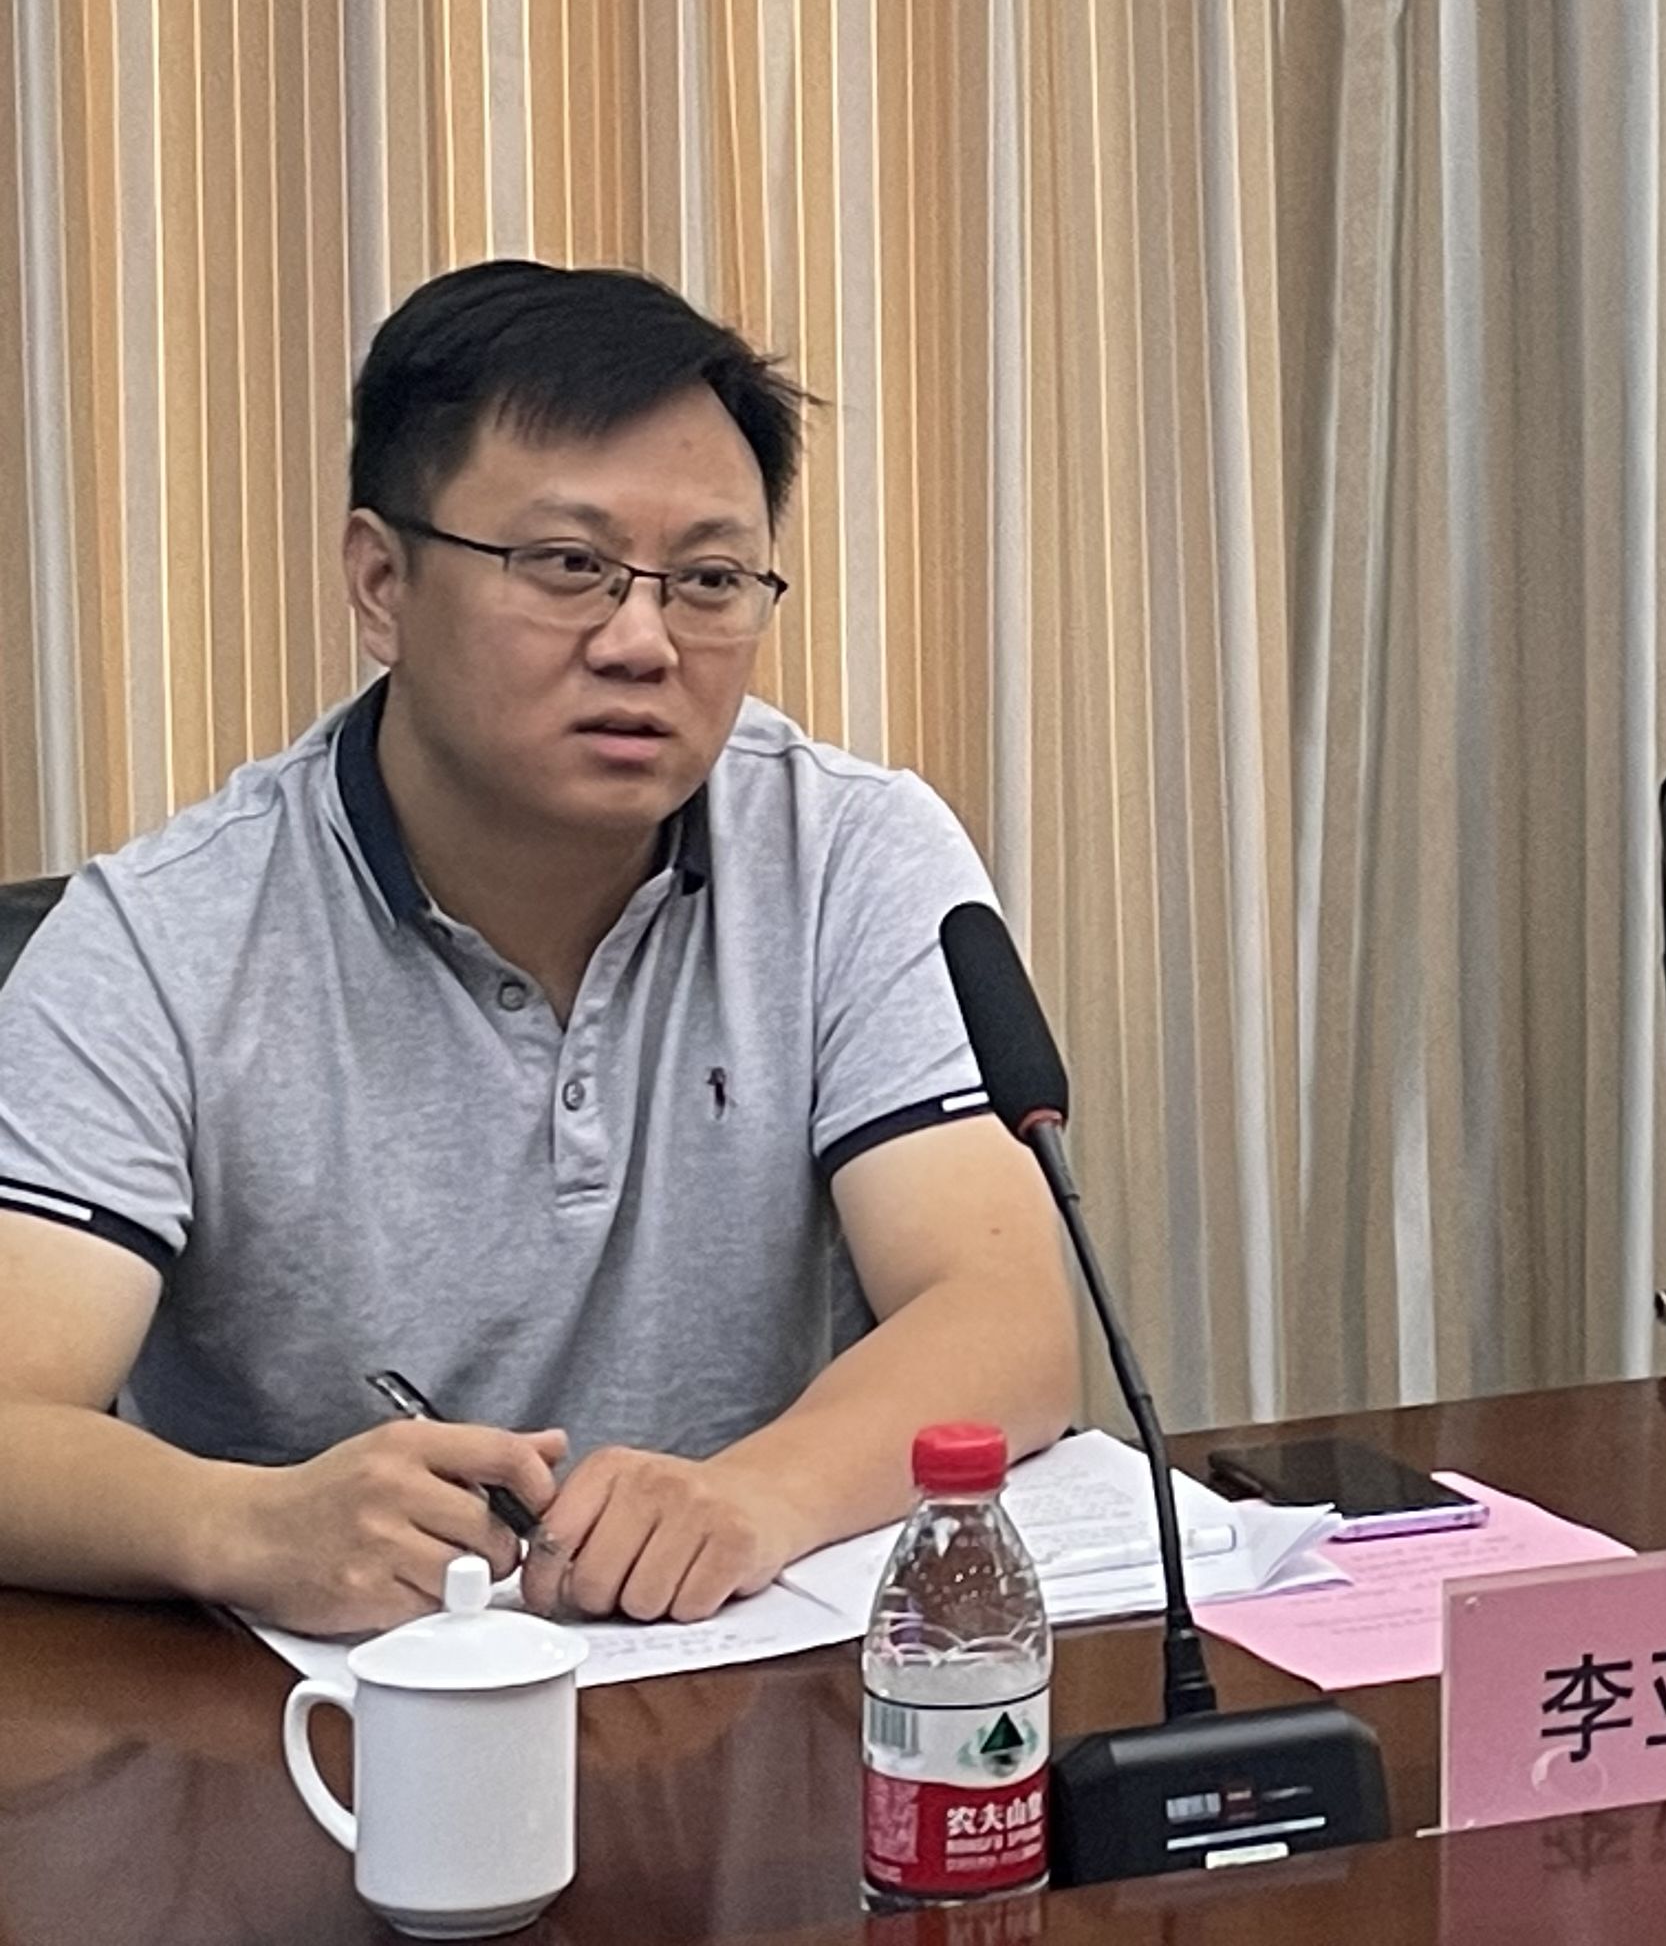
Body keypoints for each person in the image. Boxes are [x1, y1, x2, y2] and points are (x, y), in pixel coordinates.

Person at [0, 263, 1075, 1636]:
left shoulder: (850, 852)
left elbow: (1006, 1312)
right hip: (325, 1715)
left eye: (710, 580)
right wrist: (245, 1524)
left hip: (737, 1679)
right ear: (382, 583)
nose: (642, 641)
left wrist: (753, 1497)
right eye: (569, 566)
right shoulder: (161, 942)